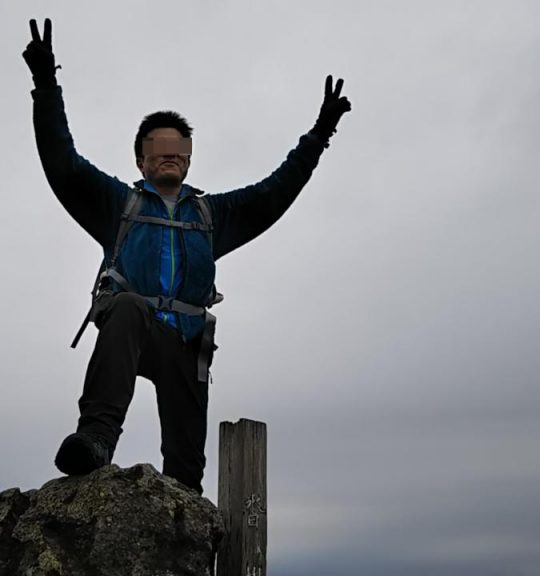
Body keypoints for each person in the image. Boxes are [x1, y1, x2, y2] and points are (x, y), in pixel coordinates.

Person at [23, 18, 350, 495]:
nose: (168, 154)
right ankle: (95, 438)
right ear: (141, 160)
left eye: (178, 148)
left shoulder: (213, 215)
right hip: (132, 326)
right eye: (157, 148)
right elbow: (63, 163)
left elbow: (275, 192)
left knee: (185, 475)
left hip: (187, 348)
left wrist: (320, 133)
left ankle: (182, 517)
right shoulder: (118, 205)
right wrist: (46, 84)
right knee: (130, 307)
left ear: (189, 158)